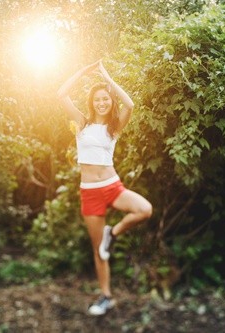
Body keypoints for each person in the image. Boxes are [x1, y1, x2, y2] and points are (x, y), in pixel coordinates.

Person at [57, 60, 153, 316]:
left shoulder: (114, 128)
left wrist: (107, 78)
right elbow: (61, 94)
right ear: (92, 102)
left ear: (110, 102)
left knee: (144, 209)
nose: (101, 103)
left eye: (106, 99)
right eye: (97, 99)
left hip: (112, 186)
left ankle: (114, 232)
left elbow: (130, 104)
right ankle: (106, 296)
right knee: (98, 250)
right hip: (89, 191)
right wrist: (81, 71)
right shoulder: (82, 123)